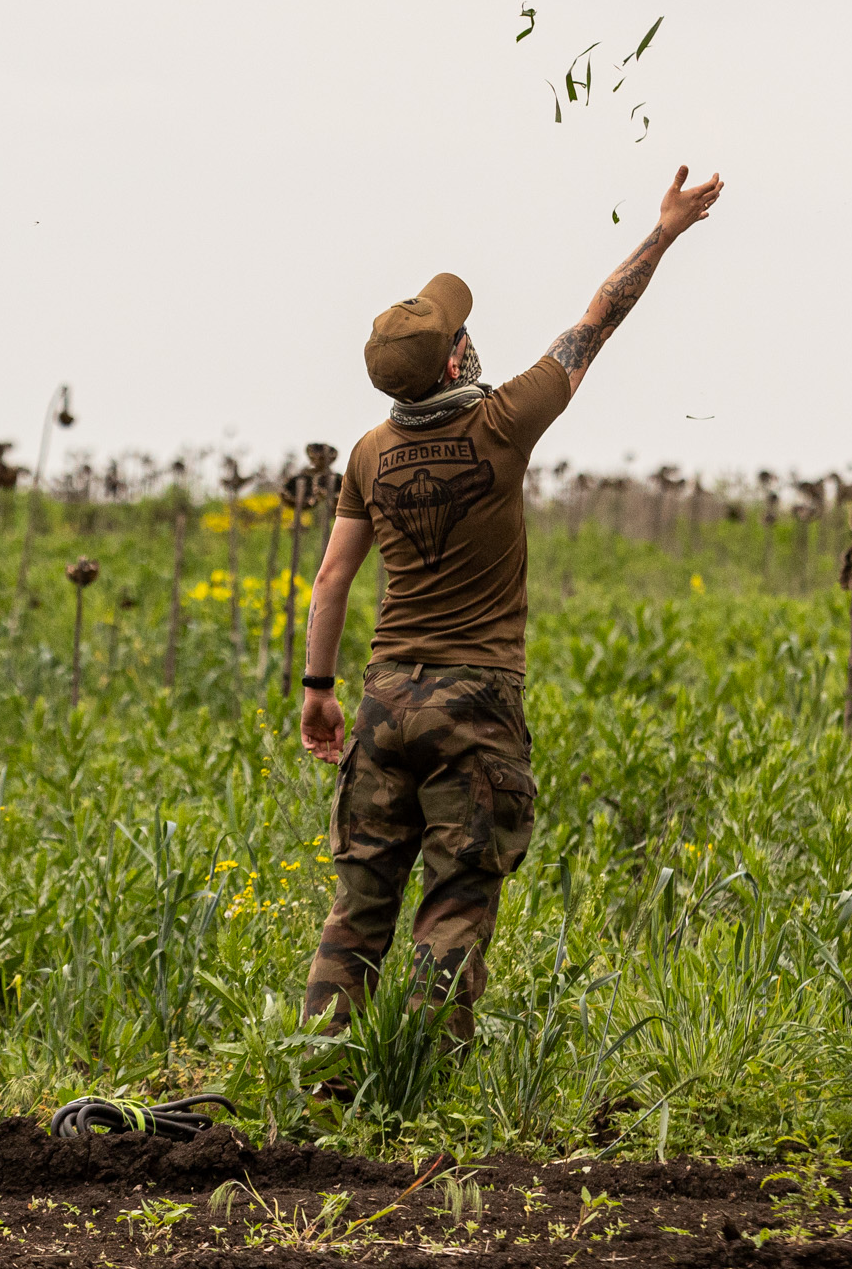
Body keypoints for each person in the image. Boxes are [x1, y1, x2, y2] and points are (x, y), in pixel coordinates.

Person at [296, 164, 726, 1044]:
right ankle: (419, 1079)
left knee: (361, 899)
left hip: (382, 699)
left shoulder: (370, 452)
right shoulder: (502, 421)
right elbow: (597, 320)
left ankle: (318, 1072)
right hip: (475, 702)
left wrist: (317, 689)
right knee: (457, 896)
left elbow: (332, 579)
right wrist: (666, 230)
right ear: (456, 359)